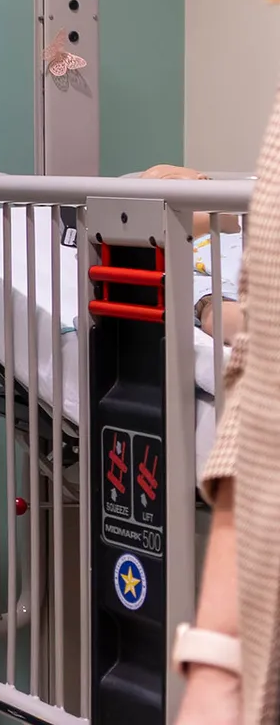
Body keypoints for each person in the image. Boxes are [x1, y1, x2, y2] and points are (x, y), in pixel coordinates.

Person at [175, 95, 280, 725]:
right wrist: (215, 664)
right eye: (182, 186)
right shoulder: (187, 258)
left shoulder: (239, 230)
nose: (197, 188)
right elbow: (262, 357)